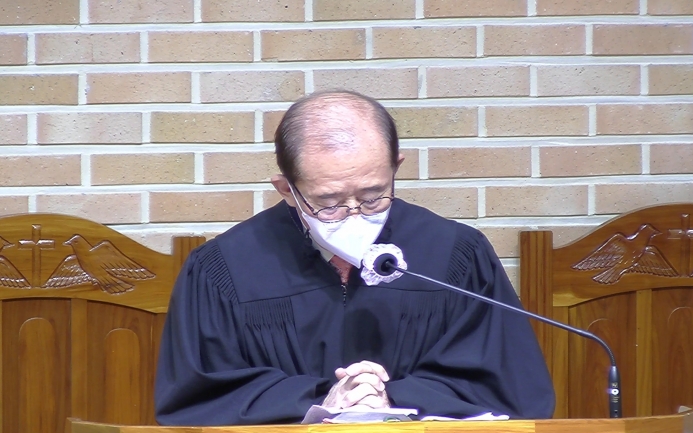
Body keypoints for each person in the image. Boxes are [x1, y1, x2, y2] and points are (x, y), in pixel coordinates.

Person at [154, 90, 555, 425]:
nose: (354, 214)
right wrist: (322, 400)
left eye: (373, 196)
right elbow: (197, 395)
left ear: (396, 167)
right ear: (286, 189)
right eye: (328, 203)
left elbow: (508, 385)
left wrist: (392, 399)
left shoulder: (456, 254)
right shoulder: (224, 268)